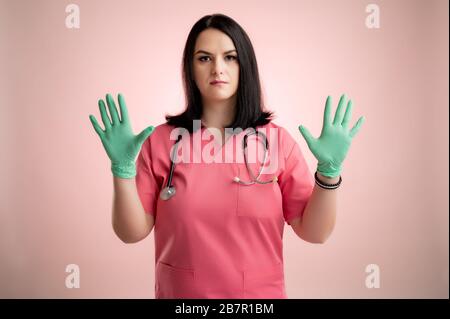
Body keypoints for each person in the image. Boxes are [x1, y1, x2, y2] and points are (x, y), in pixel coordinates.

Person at [89, 13, 365, 299]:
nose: (217, 68)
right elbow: (131, 232)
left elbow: (315, 232)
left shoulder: (277, 143)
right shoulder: (161, 142)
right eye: (204, 58)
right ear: (190, 68)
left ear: (245, 65)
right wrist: (121, 170)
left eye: (230, 57)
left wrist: (328, 173)